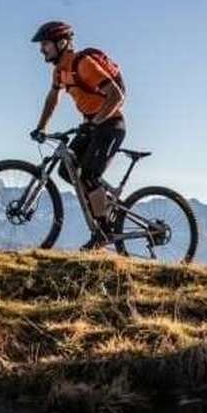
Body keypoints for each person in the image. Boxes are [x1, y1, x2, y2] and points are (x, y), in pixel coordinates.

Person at [29, 20, 128, 250]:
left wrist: (97, 121)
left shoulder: (84, 64)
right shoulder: (59, 72)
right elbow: (53, 99)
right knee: (67, 170)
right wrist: (41, 126)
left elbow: (115, 96)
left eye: (45, 44)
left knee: (89, 175)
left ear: (61, 43)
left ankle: (103, 232)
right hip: (91, 125)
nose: (41, 49)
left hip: (110, 124)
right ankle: (102, 203)